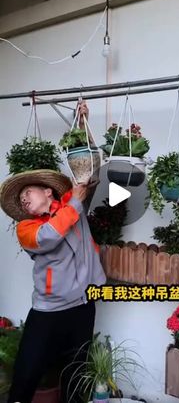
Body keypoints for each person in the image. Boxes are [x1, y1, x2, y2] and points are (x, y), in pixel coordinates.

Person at [0, 102, 106, 403]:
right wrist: (76, 203)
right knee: (27, 369)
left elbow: (89, 169)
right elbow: (50, 236)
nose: (23, 202)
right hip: (49, 309)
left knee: (76, 368)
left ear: (47, 192)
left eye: (27, 194)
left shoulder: (72, 202)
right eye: (20, 201)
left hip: (84, 303)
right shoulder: (27, 229)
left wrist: (83, 122)